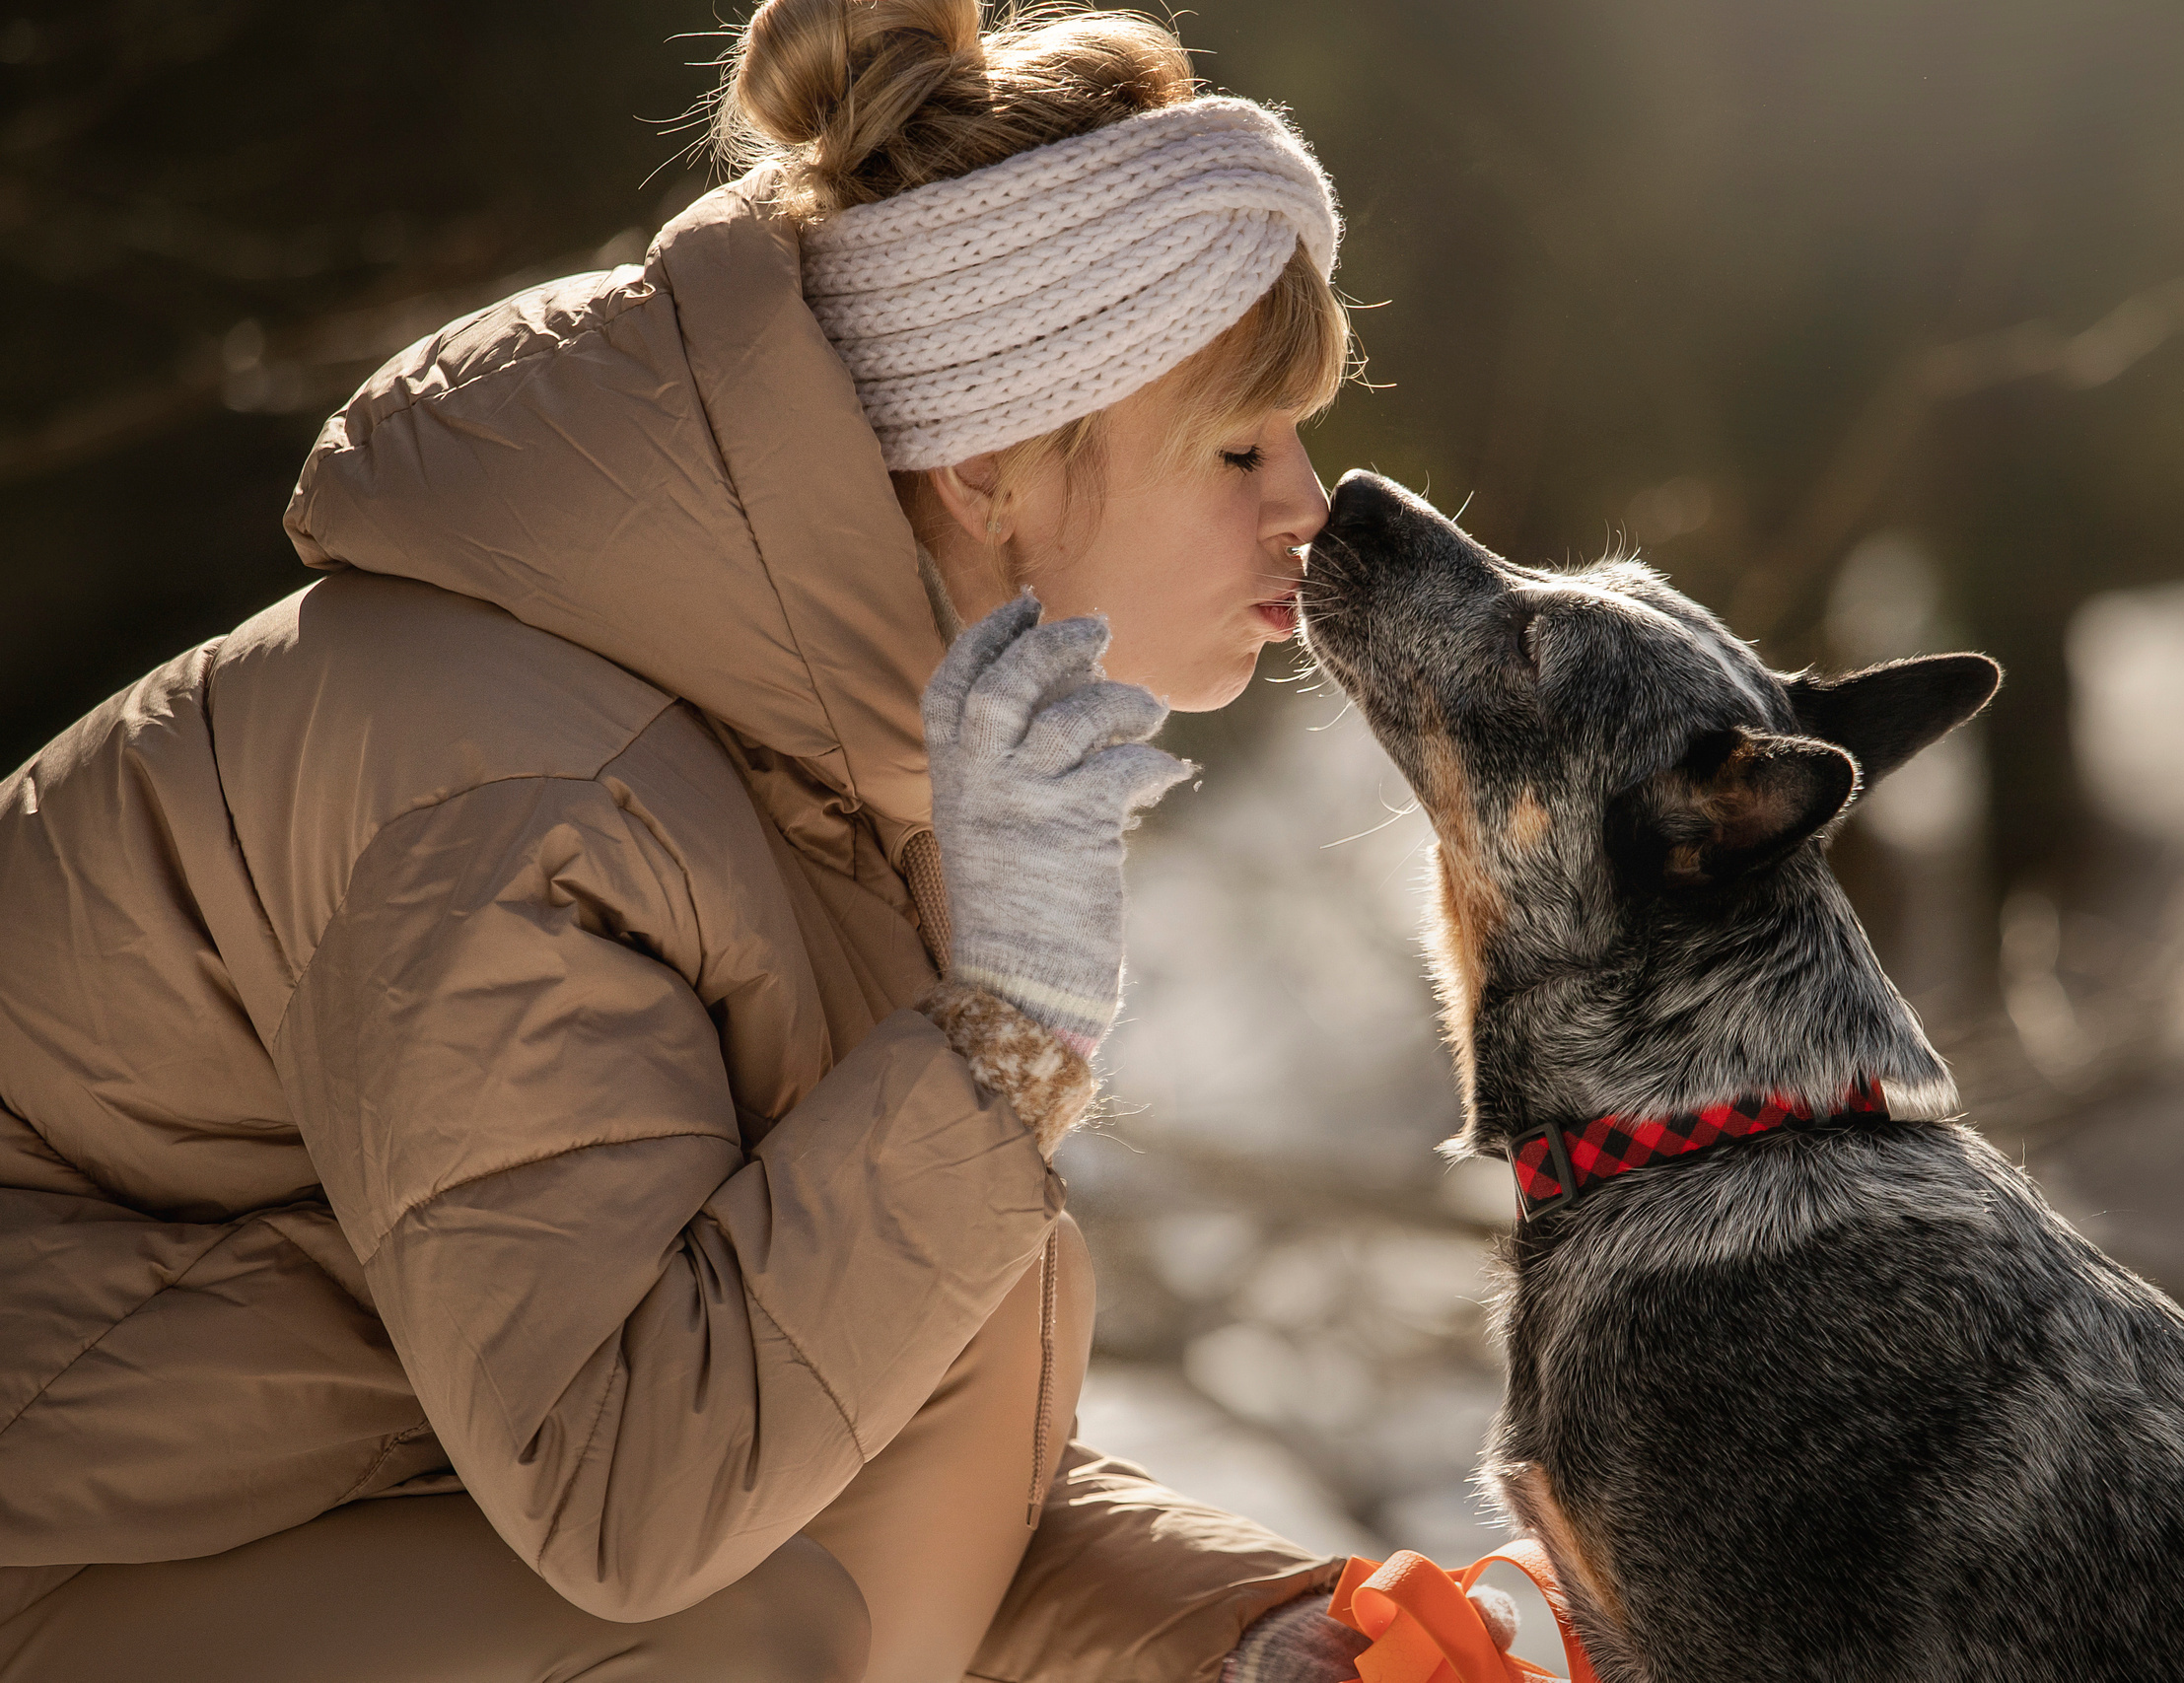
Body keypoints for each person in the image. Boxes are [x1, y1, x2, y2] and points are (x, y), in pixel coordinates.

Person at [0, 2, 1515, 1678]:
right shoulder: (523, 791)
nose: (1310, 510)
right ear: (995, 464)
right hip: (70, 1561)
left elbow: (846, 1421)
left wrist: (1263, 1637)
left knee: (950, 1308)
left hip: (274, 1520)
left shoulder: (812, 756)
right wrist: (1004, 1037)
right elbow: (645, 1493)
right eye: (1240, 446)